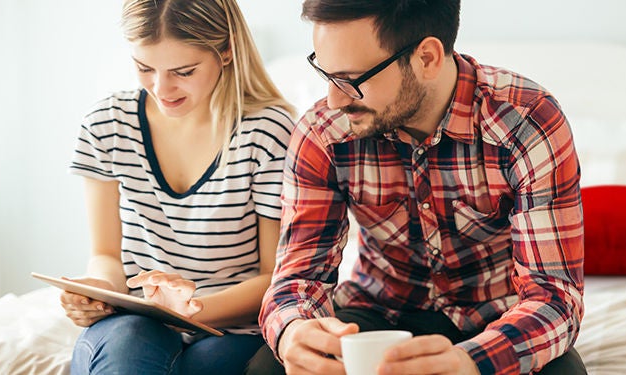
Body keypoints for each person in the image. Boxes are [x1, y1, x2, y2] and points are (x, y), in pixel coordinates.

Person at [250, 1, 586, 374]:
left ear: (426, 58)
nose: (334, 100)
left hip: (497, 322)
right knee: (269, 368)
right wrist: (294, 331)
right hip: (378, 314)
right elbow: (298, 278)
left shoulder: (526, 121)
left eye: (351, 80)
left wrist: (469, 362)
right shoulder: (322, 133)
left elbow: (554, 296)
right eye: (325, 74)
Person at [60, 0, 295, 373]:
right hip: (136, 322)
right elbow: (106, 254)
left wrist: (192, 310)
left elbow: (276, 276)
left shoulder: (267, 132)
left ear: (226, 51)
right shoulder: (107, 125)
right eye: (144, 68)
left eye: (183, 71)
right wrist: (99, 292)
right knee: (125, 349)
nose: (161, 87)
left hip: (233, 329)